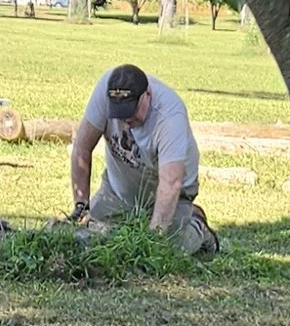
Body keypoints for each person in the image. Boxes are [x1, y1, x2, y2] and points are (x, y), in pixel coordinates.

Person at [68, 60, 215, 254]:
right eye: (119, 114)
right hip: (120, 189)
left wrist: (152, 241)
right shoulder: (106, 90)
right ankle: (136, 217)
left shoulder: (170, 116)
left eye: (131, 111)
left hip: (172, 193)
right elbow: (81, 148)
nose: (126, 120)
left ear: (148, 95)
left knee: (168, 249)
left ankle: (197, 226)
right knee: (89, 238)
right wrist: (81, 206)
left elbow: (170, 183)